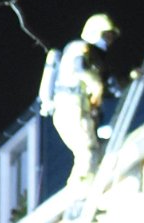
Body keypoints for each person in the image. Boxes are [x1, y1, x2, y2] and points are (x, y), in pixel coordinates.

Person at [39, 12, 121, 184]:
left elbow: (112, 87)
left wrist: (133, 80)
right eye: (106, 35)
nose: (109, 41)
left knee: (93, 150)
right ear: (95, 33)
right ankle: (81, 188)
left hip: (81, 109)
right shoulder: (79, 47)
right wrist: (96, 85)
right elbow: (80, 68)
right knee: (87, 151)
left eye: (111, 37)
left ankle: (87, 184)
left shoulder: (97, 60)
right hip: (70, 107)